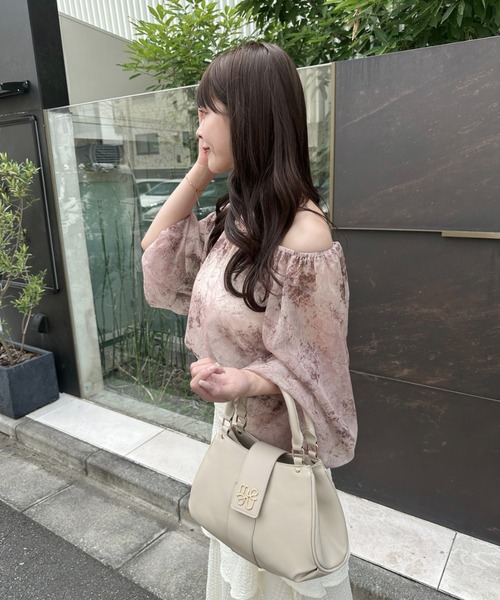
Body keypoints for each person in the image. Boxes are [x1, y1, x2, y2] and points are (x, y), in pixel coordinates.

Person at [141, 41, 357, 600]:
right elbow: (157, 255)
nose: (198, 128)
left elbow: (318, 374)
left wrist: (245, 380)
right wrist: (201, 168)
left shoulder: (304, 238)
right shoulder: (239, 218)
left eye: (206, 113)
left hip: (277, 457)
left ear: (251, 115)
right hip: (237, 435)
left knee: (272, 580)